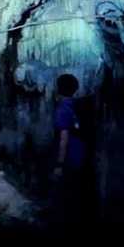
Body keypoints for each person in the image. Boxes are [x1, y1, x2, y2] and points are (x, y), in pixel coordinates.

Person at [51, 73, 95, 227]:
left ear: (58, 88)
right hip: (82, 155)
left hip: (69, 159)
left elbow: (63, 139)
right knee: (78, 195)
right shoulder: (78, 105)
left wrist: (59, 164)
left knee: (66, 197)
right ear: (75, 89)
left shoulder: (62, 109)